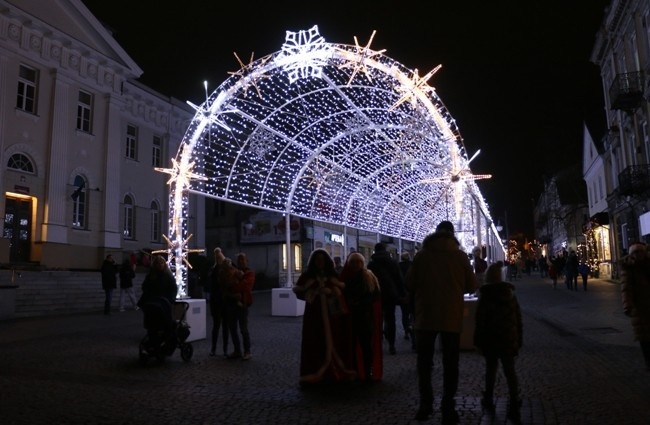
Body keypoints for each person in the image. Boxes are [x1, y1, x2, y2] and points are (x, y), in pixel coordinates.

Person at [406, 220, 476, 423]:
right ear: (452, 235)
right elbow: (471, 285)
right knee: (451, 363)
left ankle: (425, 404)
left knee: (424, 363)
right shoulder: (460, 256)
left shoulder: (422, 256)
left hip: (426, 316)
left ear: (435, 234)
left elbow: (410, 283)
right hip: (451, 316)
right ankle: (448, 406)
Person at [293, 248, 356, 384]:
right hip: (314, 315)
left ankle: (335, 369)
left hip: (332, 314)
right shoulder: (307, 276)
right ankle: (314, 371)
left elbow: (341, 292)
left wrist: (332, 290)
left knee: (335, 338)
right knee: (314, 340)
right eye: (317, 259)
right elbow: (299, 291)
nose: (320, 262)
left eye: (322, 259)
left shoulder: (332, 275)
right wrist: (313, 292)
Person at [473, 261, 523, 424]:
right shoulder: (510, 294)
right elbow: (518, 319)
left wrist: (477, 340)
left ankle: (488, 397)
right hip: (508, 338)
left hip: (490, 338)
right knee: (510, 370)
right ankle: (514, 400)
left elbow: (480, 320)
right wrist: (519, 338)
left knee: (491, 369)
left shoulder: (485, 295)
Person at [340, 252, 382, 382]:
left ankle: (367, 370)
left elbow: (375, 294)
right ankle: (354, 371)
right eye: (353, 262)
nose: (356, 264)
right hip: (349, 317)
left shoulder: (368, 276)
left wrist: (361, 302)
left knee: (366, 346)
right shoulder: (344, 277)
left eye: (358, 262)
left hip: (365, 316)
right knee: (350, 345)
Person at [367, 242, 406, 355]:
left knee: (377, 319)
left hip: (376, 294)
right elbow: (399, 279)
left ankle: (378, 343)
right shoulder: (393, 262)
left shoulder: (371, 264)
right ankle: (392, 345)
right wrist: (402, 293)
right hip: (390, 294)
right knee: (391, 319)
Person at [620, 242, 650, 371]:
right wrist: (627, 304)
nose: (639, 255)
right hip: (640, 308)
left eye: (641, 252)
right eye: (635, 253)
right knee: (644, 337)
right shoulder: (628, 268)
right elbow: (626, 288)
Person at [224, 252, 255, 360]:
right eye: (239, 260)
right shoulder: (233, 272)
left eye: (243, 259)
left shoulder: (249, 273)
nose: (241, 262)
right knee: (232, 329)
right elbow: (226, 284)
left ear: (247, 261)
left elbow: (245, 286)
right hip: (232, 304)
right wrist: (233, 293)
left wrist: (233, 288)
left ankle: (247, 351)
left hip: (243, 305)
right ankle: (237, 350)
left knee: (243, 329)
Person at [208, 248, 230, 357]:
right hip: (217, 301)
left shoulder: (224, 268)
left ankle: (223, 349)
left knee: (223, 326)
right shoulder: (214, 269)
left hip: (223, 301)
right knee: (217, 326)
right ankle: (215, 348)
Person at [398, 251, 416, 348]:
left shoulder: (399, 266)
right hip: (412, 293)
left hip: (403, 293)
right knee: (413, 313)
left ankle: (406, 330)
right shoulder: (413, 265)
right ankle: (413, 331)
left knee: (404, 313)